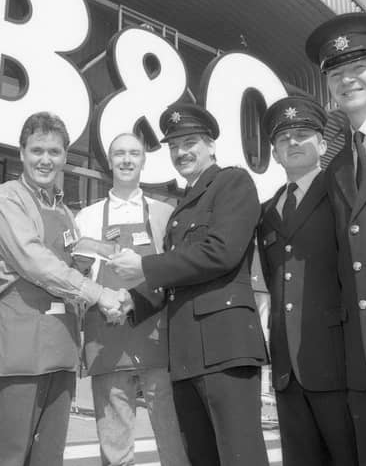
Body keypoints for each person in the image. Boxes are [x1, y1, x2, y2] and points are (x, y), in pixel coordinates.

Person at [108, 102, 269, 466]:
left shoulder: (233, 182)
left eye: (190, 142)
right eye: (174, 146)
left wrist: (146, 266)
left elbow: (221, 252)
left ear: (211, 145)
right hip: (185, 354)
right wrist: (136, 301)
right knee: (202, 457)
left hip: (225, 348)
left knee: (240, 455)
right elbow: (176, 281)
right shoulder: (183, 206)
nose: (181, 152)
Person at [0, 111, 127, 466]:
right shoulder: (7, 199)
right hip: (19, 336)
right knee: (8, 453)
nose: (45, 159)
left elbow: (72, 260)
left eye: (55, 151)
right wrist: (100, 294)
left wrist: (108, 256)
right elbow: (34, 261)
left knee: (50, 453)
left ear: (65, 157)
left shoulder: (63, 210)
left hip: (61, 344)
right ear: (22, 152)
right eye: (37, 150)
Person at [74, 132, 189, 466]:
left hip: (158, 337)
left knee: (175, 442)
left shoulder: (163, 213)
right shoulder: (87, 217)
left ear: (143, 161)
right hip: (106, 336)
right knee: (115, 446)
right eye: (119, 154)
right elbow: (78, 277)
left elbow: (174, 272)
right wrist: (103, 300)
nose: (126, 160)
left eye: (134, 154)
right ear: (109, 162)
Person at [258, 96, 357, 466]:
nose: (293, 143)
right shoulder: (268, 210)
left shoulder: (343, 193)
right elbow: (274, 280)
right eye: (284, 139)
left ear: (322, 144)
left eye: (302, 134)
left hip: (338, 362)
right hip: (287, 369)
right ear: (275, 152)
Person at [306, 12, 366, 465]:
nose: (347, 78)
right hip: (361, 364)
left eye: (360, 63)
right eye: (336, 71)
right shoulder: (337, 167)